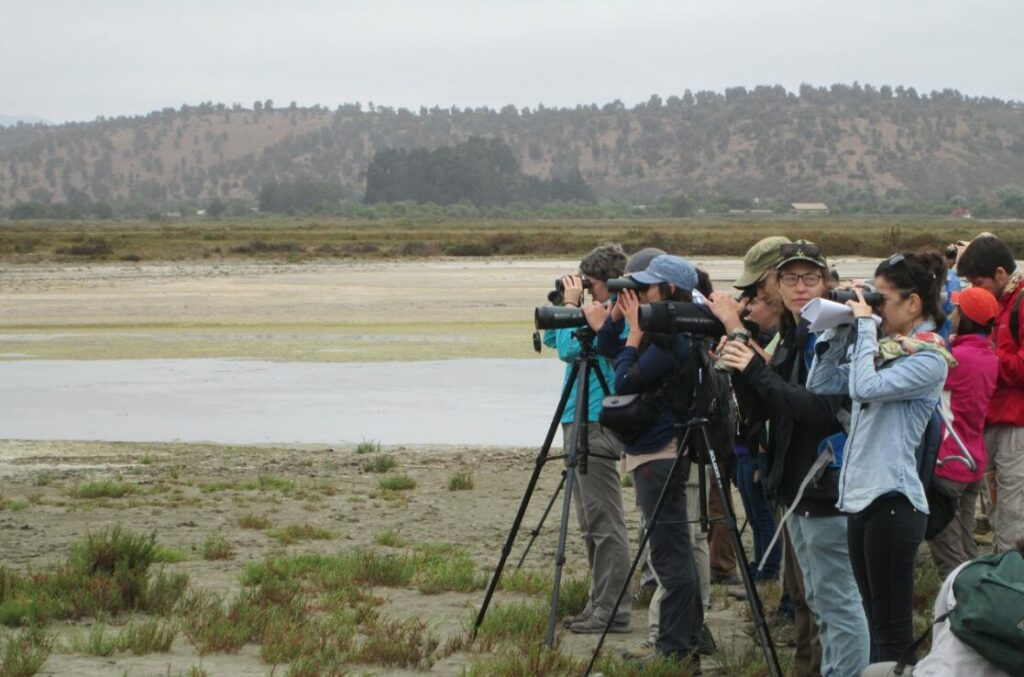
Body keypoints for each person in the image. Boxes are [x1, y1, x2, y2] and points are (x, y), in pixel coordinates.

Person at [716, 240, 870, 677]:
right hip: (799, 485)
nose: (800, 287)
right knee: (818, 600)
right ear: (777, 286)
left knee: (838, 603)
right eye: (790, 278)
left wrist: (753, 368)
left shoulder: (838, 331)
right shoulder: (795, 333)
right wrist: (740, 365)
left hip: (828, 485)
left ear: (826, 281)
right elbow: (767, 407)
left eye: (809, 278)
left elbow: (819, 411)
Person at [808, 251, 952, 663]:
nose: (873, 306)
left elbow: (865, 389)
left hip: (895, 502)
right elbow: (821, 382)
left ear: (913, 304)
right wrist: (839, 330)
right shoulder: (886, 348)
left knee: (892, 634)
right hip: (863, 500)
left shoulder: (929, 358)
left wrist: (866, 325)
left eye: (881, 299)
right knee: (874, 628)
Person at [592, 254, 704, 669]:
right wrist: (620, 321)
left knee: (670, 555)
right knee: (669, 552)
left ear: (669, 292)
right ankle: (686, 641)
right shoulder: (659, 328)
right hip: (650, 451)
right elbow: (605, 348)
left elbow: (623, 380)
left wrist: (635, 335)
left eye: (646, 288)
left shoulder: (672, 337)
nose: (636, 293)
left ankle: (676, 649)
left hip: (660, 452)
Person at [542, 242, 632, 634]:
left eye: (590, 285)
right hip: (577, 418)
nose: (587, 292)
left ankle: (612, 610)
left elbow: (567, 351)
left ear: (610, 285)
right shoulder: (596, 312)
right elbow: (551, 338)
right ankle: (599, 604)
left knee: (604, 522)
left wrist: (579, 306)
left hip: (597, 420)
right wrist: (569, 304)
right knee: (588, 522)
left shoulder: (620, 317)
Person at [956, 235, 1024, 554]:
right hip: (995, 422)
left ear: (1000, 274)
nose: (973, 290)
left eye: (977, 282)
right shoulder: (1001, 304)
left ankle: (1012, 588)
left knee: (1013, 513)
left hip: (1016, 427)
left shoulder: (1021, 303)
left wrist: (987, 358)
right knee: (999, 510)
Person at [928, 287, 999, 578]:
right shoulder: (988, 355)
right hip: (972, 459)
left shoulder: (956, 358)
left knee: (947, 551)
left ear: (967, 318)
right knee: (967, 545)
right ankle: (981, 597)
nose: (952, 314)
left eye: (957, 309)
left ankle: (960, 607)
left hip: (948, 460)